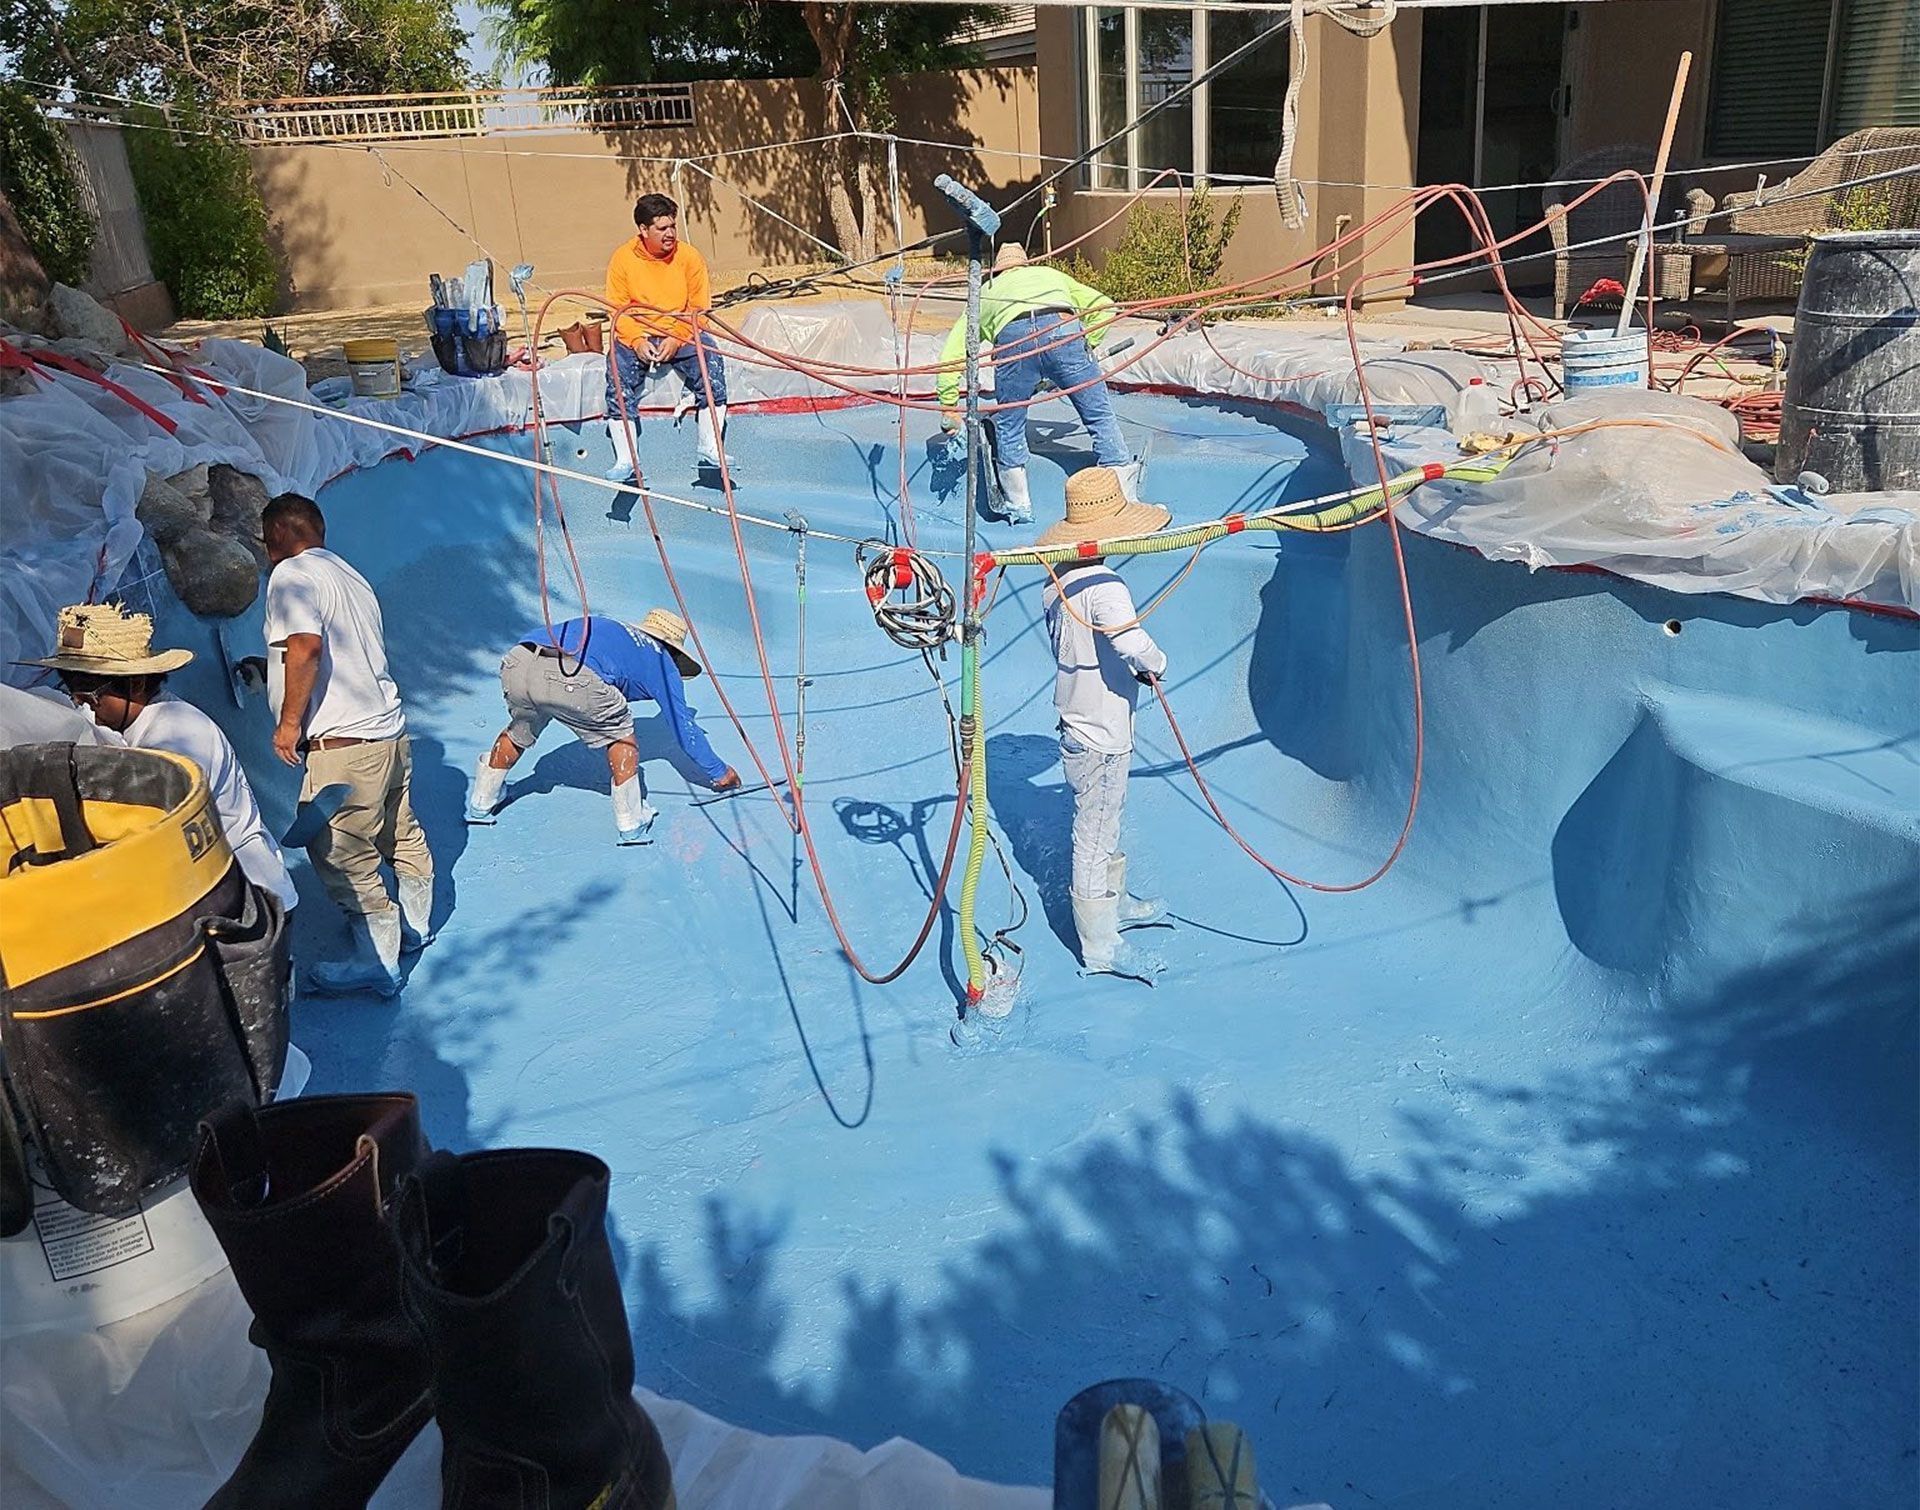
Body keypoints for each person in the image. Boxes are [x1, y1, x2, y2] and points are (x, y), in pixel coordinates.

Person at [263, 493, 434, 996]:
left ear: (276, 537)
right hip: (389, 734)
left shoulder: (291, 574)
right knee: (400, 831)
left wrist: (289, 724)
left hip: (344, 746)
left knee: (340, 850)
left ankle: (378, 963)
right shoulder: (348, 573)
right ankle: (416, 929)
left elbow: (307, 647)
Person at [22, 602, 298, 914]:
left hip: (248, 899)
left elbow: (157, 830)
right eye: (71, 691)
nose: (82, 704)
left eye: (90, 695)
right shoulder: (130, 727)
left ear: (136, 683)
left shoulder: (177, 732)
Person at [1036, 466, 1174, 981]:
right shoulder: (1106, 585)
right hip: (1101, 730)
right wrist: (1156, 662)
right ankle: (1100, 947)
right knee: (1094, 833)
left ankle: (1115, 904)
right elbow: (1131, 644)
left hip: (1079, 721)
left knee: (1105, 818)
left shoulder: (1058, 584)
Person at [467, 609, 741, 844]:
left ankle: (482, 802)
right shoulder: (661, 658)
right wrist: (720, 773)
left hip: (519, 659)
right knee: (622, 736)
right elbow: (683, 727)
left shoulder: (611, 628)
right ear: (673, 649)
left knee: (521, 728)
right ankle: (631, 823)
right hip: (574, 676)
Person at [937, 242, 1142, 525]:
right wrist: (1088, 346)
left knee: (1009, 425)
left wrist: (948, 404)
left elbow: (955, 350)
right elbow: (1104, 306)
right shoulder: (1051, 276)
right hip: (1063, 331)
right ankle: (1122, 492)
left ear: (997, 271)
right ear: (1026, 265)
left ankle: (1019, 507)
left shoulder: (986, 291)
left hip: (1014, 341)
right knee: (1099, 416)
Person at [604, 191, 729, 484]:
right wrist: (636, 340)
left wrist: (676, 337)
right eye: (662, 228)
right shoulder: (622, 259)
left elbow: (699, 307)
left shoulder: (689, 257)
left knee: (711, 365)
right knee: (618, 378)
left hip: (682, 329)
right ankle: (626, 460)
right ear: (643, 230)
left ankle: (710, 447)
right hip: (639, 332)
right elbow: (618, 310)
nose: (670, 234)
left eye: (672, 226)